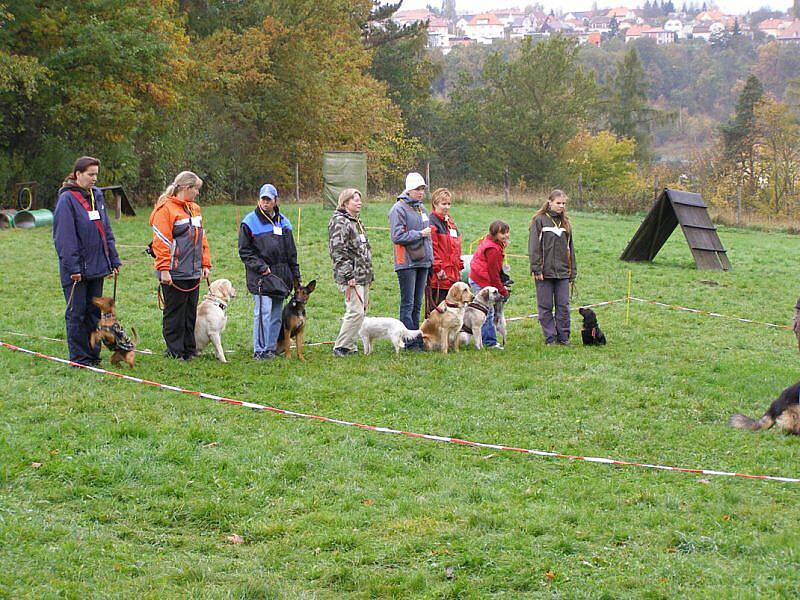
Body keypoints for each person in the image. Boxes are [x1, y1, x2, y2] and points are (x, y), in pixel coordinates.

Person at [53, 156, 122, 366]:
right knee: (77, 313)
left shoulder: (97, 196)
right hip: (76, 270)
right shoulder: (67, 200)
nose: (94, 179)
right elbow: (64, 238)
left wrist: (113, 259)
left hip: (97, 267)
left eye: (96, 175)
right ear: (78, 175)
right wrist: (73, 267)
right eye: (90, 174)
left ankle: (93, 355)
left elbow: (105, 231)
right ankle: (79, 357)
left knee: (94, 312)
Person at [150, 171, 211, 360]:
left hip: (193, 271)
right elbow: (161, 242)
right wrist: (164, 270)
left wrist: (205, 263)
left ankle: (188, 349)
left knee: (190, 312)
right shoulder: (166, 209)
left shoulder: (195, 209)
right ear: (186, 188)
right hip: (174, 272)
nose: (198, 193)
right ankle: (175, 351)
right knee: (174, 313)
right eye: (196, 189)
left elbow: (202, 238)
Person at [239, 183, 301, 360]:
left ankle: (270, 348)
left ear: (275, 200)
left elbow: (291, 253)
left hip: (281, 277)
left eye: (269, 199)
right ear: (259, 200)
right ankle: (259, 350)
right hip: (261, 277)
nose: (265, 202)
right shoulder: (249, 222)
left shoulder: (284, 222)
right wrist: (261, 267)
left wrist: (295, 276)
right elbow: (245, 252)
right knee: (263, 313)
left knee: (275, 314)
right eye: (262, 199)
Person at [388, 172, 433, 350]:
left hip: (423, 261)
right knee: (408, 303)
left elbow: (429, 237)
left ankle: (415, 338)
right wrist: (419, 234)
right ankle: (407, 341)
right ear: (408, 190)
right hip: (406, 262)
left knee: (418, 303)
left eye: (422, 189)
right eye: (417, 189)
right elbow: (397, 235)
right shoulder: (398, 209)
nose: (420, 192)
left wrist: (431, 259)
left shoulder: (422, 208)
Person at [328, 188, 373, 357]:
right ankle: (341, 346)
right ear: (345, 202)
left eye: (360, 199)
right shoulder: (339, 222)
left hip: (363, 273)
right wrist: (348, 275)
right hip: (351, 275)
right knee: (355, 311)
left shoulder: (356, 221)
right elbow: (337, 251)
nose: (359, 202)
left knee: (361, 310)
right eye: (355, 199)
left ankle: (351, 345)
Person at [528, 189, 577, 346]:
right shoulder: (540, 220)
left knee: (563, 306)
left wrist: (572, 271)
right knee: (545, 306)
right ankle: (550, 338)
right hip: (544, 272)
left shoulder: (566, 224)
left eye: (563, 203)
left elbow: (571, 249)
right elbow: (534, 247)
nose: (561, 206)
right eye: (558, 203)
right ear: (550, 202)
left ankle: (564, 337)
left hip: (562, 272)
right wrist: (536, 268)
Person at [468, 220, 510, 349]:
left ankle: (485, 339)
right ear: (494, 234)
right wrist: (502, 291)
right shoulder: (493, 249)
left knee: (487, 311)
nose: (506, 235)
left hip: (478, 277)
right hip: (482, 281)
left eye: (507, 232)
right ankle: (489, 342)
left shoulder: (492, 243)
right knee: (486, 311)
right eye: (502, 233)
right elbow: (493, 275)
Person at [425, 188, 464, 317]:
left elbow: (455, 247)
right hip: (439, 276)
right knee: (436, 313)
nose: (446, 207)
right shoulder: (432, 223)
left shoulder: (450, 223)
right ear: (435, 204)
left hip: (453, 274)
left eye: (448, 204)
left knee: (451, 313)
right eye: (443, 204)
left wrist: (459, 264)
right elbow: (432, 248)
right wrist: (437, 268)